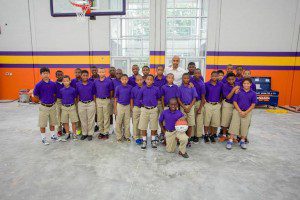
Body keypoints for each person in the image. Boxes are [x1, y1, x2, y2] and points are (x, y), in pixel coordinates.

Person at [226, 78, 257, 150]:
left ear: (250, 84)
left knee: (245, 126)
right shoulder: (238, 92)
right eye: (244, 83)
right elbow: (234, 102)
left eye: (248, 83)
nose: (246, 85)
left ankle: (242, 141)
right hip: (237, 111)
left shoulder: (253, 93)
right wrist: (240, 111)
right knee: (234, 125)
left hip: (247, 112)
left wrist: (246, 112)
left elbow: (253, 104)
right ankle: (230, 140)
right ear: (242, 84)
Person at [33, 67, 58, 145]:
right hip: (44, 106)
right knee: (42, 123)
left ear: (49, 74)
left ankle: (53, 135)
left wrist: (53, 101)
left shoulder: (53, 84)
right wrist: (41, 100)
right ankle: (43, 138)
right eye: (44, 73)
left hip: (52, 106)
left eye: (47, 73)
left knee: (52, 122)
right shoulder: (38, 85)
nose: (45, 75)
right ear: (41, 75)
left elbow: (55, 94)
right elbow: (35, 95)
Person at [138, 74, 161, 150]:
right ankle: (144, 140)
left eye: (151, 79)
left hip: (153, 109)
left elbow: (158, 97)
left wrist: (153, 104)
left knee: (154, 126)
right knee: (143, 126)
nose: (149, 81)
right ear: (145, 80)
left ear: (153, 81)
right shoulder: (142, 89)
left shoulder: (156, 89)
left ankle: (153, 140)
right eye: (148, 79)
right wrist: (144, 104)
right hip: (144, 109)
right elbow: (139, 98)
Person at [177, 73, 197, 147]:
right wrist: (184, 107)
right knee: (182, 124)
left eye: (187, 78)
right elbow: (178, 99)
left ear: (189, 79)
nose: (186, 80)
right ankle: (182, 139)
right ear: (182, 79)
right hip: (183, 106)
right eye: (184, 78)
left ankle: (188, 139)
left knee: (190, 124)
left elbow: (194, 98)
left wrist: (189, 107)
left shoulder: (192, 87)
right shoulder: (180, 88)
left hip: (190, 106)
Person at [219, 72, 240, 142]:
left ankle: (231, 136)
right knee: (225, 120)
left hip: (236, 105)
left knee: (233, 121)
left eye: (232, 79)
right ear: (227, 79)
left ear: (235, 79)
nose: (231, 81)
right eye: (229, 79)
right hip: (227, 104)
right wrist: (234, 90)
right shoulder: (225, 86)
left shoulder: (238, 85)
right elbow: (228, 97)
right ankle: (224, 135)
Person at [76, 70, 96, 141]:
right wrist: (78, 103)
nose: (85, 77)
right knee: (83, 119)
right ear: (81, 76)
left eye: (86, 75)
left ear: (88, 76)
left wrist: (94, 103)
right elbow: (77, 95)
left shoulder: (92, 83)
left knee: (91, 119)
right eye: (83, 75)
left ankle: (90, 133)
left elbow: (94, 94)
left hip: (90, 103)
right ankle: (84, 133)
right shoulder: (78, 84)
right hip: (81, 104)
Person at [94, 68, 114, 140]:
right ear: (98, 73)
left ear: (105, 73)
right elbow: (94, 91)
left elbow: (111, 91)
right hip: (98, 100)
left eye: (102, 72)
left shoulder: (109, 81)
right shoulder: (96, 81)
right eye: (100, 72)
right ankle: (101, 131)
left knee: (106, 117)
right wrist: (95, 100)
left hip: (106, 100)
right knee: (100, 117)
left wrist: (109, 98)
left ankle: (106, 132)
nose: (101, 73)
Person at [203, 71, 223, 143]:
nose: (214, 77)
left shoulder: (220, 84)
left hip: (216, 105)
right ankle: (205, 134)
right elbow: (203, 94)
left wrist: (220, 102)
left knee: (215, 121)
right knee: (207, 121)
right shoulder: (206, 84)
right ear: (210, 76)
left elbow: (221, 94)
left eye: (216, 76)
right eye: (213, 76)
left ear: (217, 76)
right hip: (208, 104)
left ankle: (212, 134)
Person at [60, 75, 79, 141]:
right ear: (62, 82)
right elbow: (61, 98)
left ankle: (74, 134)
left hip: (72, 107)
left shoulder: (73, 90)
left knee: (73, 121)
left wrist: (75, 106)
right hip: (64, 107)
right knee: (65, 122)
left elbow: (75, 98)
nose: (66, 82)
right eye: (64, 81)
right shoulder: (61, 90)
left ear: (70, 81)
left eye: (67, 81)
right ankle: (67, 133)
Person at [114, 74, 132, 142]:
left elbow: (131, 98)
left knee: (127, 122)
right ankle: (119, 136)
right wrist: (115, 109)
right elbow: (115, 98)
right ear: (120, 80)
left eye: (126, 79)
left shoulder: (130, 87)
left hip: (127, 106)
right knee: (119, 122)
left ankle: (127, 136)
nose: (124, 80)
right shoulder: (118, 87)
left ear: (127, 80)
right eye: (123, 79)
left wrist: (131, 107)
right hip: (120, 106)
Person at [190, 69, 206, 143]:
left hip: (199, 102)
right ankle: (192, 135)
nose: (197, 74)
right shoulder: (190, 80)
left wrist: (200, 108)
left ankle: (197, 135)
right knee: (192, 120)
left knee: (199, 120)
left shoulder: (202, 84)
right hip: (191, 102)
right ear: (193, 74)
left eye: (198, 73)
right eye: (195, 73)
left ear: (200, 74)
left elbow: (203, 97)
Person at [130, 75, 144, 144]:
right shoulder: (133, 89)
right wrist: (132, 107)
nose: (139, 81)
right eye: (137, 80)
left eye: (140, 80)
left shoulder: (145, 88)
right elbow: (132, 98)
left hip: (143, 108)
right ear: (135, 81)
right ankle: (136, 136)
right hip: (136, 107)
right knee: (135, 122)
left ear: (143, 80)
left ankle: (142, 136)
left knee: (142, 123)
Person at [70, 68, 82, 136]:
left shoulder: (84, 80)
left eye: (79, 72)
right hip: (75, 100)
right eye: (76, 72)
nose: (77, 74)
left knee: (82, 116)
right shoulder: (72, 81)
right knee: (76, 115)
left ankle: (83, 128)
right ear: (74, 73)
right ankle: (78, 129)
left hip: (82, 100)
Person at [55, 70, 64, 137]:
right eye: (58, 75)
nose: (60, 76)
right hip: (58, 101)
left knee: (65, 116)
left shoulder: (65, 82)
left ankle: (65, 128)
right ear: (56, 76)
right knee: (59, 116)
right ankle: (59, 130)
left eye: (61, 74)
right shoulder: (55, 84)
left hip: (66, 100)